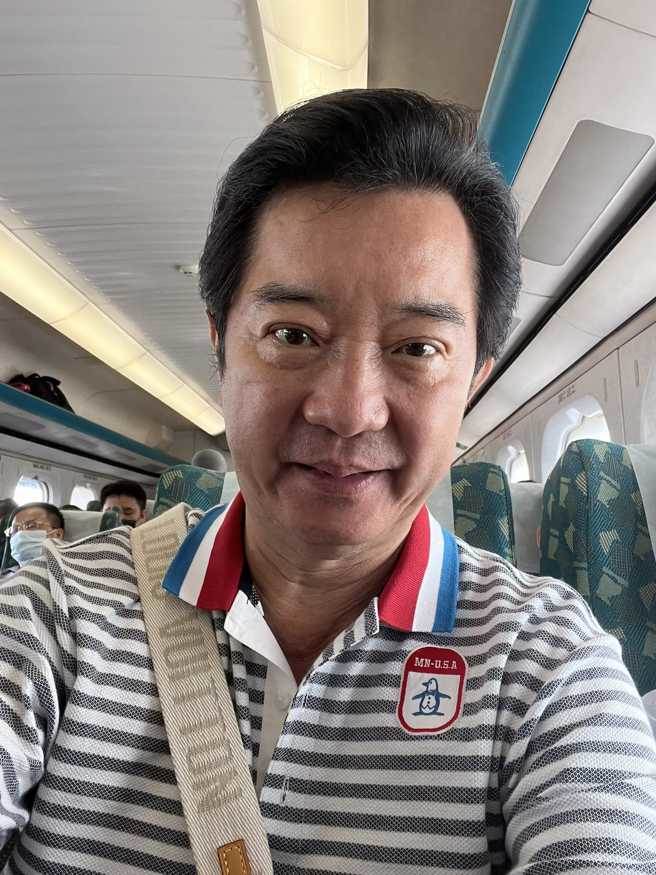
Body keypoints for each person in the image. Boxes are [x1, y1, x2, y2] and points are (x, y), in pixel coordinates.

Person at [0, 90, 654, 873]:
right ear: (221, 344)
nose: (348, 410)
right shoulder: (52, 617)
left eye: (417, 348)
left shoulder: (550, 665)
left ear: (474, 381)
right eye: (293, 334)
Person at [3, 502, 65, 567]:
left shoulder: (67, 570)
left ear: (57, 534)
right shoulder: (8, 572)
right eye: (15, 529)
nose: (20, 533)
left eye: (31, 526)